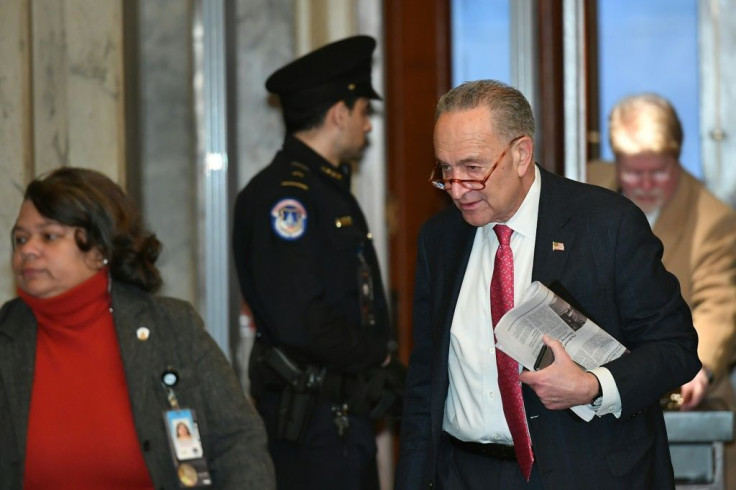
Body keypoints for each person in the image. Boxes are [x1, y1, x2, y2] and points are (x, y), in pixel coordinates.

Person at [395, 80, 700, 489]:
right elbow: (426, 379)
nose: (457, 188)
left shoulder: (606, 225)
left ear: (521, 154)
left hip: (581, 472)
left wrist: (593, 386)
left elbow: (675, 348)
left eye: (473, 168)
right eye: (445, 170)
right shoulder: (440, 239)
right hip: (465, 473)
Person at [0, 167, 275, 489]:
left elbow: (237, 441)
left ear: (100, 249)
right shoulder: (8, 339)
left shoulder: (172, 327)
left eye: (49, 236)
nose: (27, 250)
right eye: (20, 238)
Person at [232, 35, 403, 490]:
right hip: (315, 427)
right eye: (365, 112)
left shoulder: (322, 190)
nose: (368, 126)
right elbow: (302, 322)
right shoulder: (288, 201)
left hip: (340, 419)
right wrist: (377, 357)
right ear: (338, 113)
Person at [588, 92, 736, 484]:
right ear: (617, 162)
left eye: (659, 171)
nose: (646, 183)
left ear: (677, 158)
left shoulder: (713, 220)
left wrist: (694, 367)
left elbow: (719, 304)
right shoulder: (587, 185)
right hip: (597, 390)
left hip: (676, 401)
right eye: (634, 172)